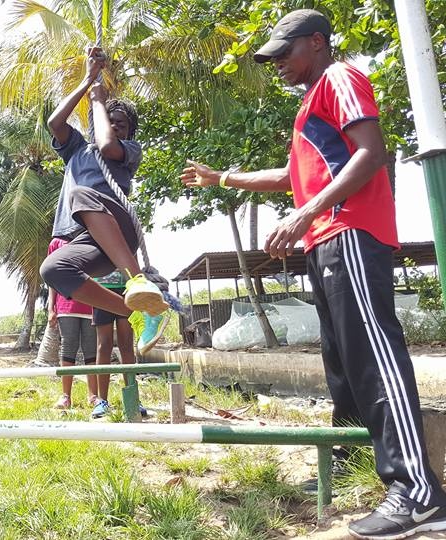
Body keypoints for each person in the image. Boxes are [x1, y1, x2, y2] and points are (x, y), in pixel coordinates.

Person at [182, 10, 446, 539]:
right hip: (325, 242)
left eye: (286, 52)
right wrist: (223, 178)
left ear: (318, 43)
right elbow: (293, 176)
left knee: (373, 358)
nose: (278, 63)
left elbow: (371, 153)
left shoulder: (339, 78)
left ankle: (419, 493)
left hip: (352, 233)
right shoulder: (307, 107)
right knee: (342, 364)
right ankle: (348, 465)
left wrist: (305, 213)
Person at [39, 47, 167, 349]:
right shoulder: (77, 149)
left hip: (118, 230)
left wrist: (98, 101)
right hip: (88, 239)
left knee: (81, 194)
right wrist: (87, 81)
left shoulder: (128, 149)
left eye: (121, 123)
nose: (114, 124)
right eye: (109, 119)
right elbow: (55, 123)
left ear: (129, 131)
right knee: (52, 270)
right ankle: (141, 313)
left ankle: (138, 281)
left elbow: (108, 144)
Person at [47, 237, 98, 411]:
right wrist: (51, 308)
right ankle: (66, 396)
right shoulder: (56, 243)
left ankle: (93, 396)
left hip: (91, 304)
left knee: (91, 349)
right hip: (66, 305)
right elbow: (51, 278)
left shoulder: (90, 238)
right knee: (68, 347)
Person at [90, 270, 150, 419]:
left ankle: (133, 399)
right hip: (101, 289)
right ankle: (102, 401)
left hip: (126, 289)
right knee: (104, 345)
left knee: (127, 344)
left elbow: (133, 260)